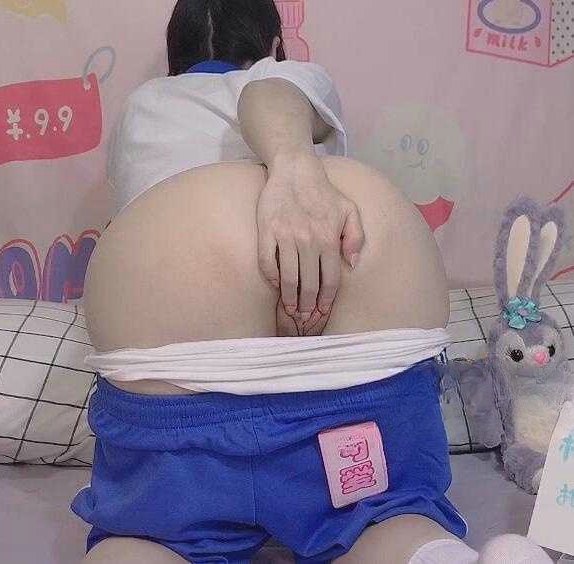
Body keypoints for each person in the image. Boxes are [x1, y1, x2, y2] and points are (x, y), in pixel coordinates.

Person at [70, 1, 552, 563]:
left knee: (145, 542)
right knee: (386, 520)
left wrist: (286, 172)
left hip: (181, 373)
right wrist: (293, 164)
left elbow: (264, 94)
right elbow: (268, 89)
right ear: (276, 46)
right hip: (358, 369)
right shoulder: (285, 75)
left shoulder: (144, 105)